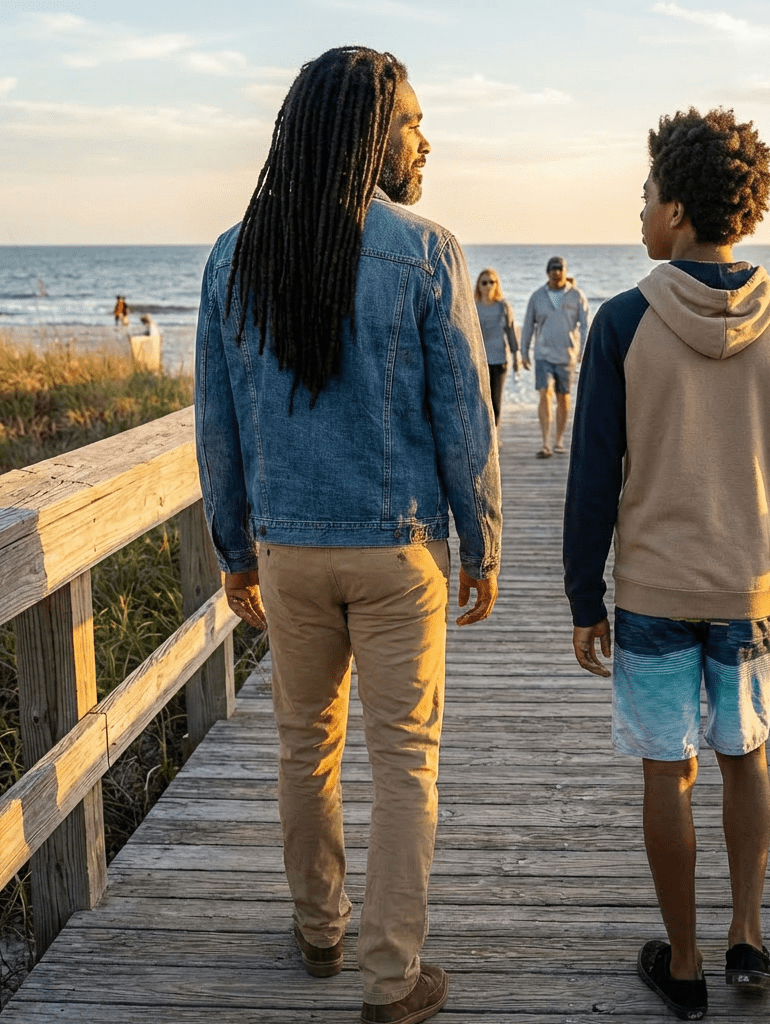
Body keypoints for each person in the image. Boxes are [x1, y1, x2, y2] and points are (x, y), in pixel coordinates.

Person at [194, 47, 501, 1024]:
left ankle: (320, 932)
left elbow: (217, 420)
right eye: (410, 120)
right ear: (372, 137)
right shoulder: (426, 251)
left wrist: (234, 543)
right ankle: (391, 978)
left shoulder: (232, 254)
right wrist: (482, 543)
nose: (424, 137)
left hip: (288, 550)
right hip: (397, 550)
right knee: (405, 757)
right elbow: (464, 417)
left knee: (304, 748)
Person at [563, 107, 770, 1021]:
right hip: (751, 586)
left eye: (644, 195)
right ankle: (746, 938)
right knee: (746, 758)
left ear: (675, 210)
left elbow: (594, 477)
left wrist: (580, 597)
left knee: (664, 771)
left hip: (652, 590)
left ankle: (682, 962)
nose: (637, 212)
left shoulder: (624, 322)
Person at [520, 256, 588, 458]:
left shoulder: (576, 295)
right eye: (553, 269)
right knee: (544, 393)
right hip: (543, 354)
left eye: (560, 269)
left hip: (567, 355)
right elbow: (527, 326)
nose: (556, 272)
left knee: (563, 398)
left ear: (565, 271)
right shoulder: (537, 296)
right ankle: (545, 443)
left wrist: (583, 351)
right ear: (547, 272)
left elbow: (584, 326)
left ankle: (559, 440)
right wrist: (524, 352)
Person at [474, 268, 519, 431]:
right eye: (484, 282)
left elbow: (511, 331)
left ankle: (494, 434)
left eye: (491, 282)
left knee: (495, 401)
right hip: (478, 361)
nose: (488, 286)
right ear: (479, 285)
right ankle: (482, 434)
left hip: (499, 360)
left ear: (497, 284)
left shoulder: (503, 306)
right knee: (479, 401)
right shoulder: (472, 307)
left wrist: (516, 357)